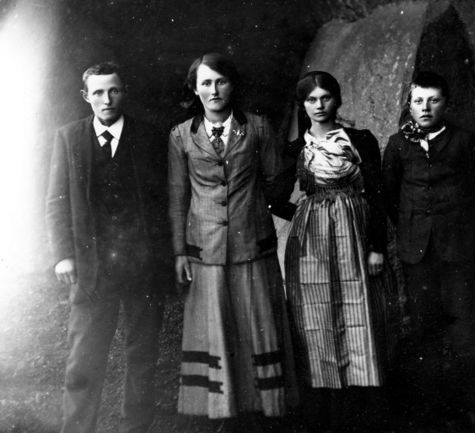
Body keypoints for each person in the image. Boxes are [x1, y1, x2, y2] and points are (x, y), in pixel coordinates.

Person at [168, 53, 292, 430]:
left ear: (232, 85)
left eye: (220, 81)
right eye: (205, 83)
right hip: (205, 248)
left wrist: (252, 207)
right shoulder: (181, 135)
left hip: (251, 243)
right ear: (194, 89)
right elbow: (178, 197)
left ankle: (262, 407)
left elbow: (277, 180)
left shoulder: (257, 127)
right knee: (217, 328)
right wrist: (179, 252)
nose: (214, 90)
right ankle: (223, 408)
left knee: (255, 325)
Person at [45, 62, 169, 433]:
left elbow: (164, 199)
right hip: (93, 267)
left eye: (113, 90)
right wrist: (63, 255)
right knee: (84, 359)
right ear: (86, 97)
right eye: (98, 92)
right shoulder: (70, 137)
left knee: (142, 354)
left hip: (142, 265)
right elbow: (56, 200)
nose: (107, 99)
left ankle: (136, 427)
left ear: (123, 92)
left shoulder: (148, 136)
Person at [271, 71, 388, 433]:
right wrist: (306, 212)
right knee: (316, 317)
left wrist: (376, 246)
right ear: (303, 105)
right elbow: (273, 197)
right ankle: (323, 413)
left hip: (355, 236)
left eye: (325, 98)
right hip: (312, 242)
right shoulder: (296, 148)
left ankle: (362, 412)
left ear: (337, 100)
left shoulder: (360, 140)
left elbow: (378, 194)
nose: (319, 106)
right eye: (311, 100)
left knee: (358, 312)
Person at [382, 71, 475, 432]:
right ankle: (431, 410)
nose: (425, 108)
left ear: (446, 104)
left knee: (463, 327)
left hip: (457, 251)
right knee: (424, 329)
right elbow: (391, 196)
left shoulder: (464, 142)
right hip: (417, 253)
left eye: (433, 100)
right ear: (409, 105)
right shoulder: (397, 145)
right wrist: (413, 230)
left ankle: (466, 407)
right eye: (418, 101)